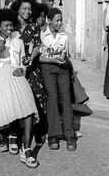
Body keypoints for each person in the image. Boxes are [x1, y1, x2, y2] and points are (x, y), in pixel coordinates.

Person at [0, 9, 39, 168]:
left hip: (16, 74)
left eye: (11, 25)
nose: (10, 28)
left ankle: (26, 149)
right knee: (7, 108)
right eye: (6, 25)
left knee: (28, 106)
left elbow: (22, 61)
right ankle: (10, 136)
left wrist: (23, 70)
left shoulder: (18, 41)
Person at [11, 0, 48, 146]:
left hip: (31, 67)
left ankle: (38, 130)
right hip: (14, 67)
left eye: (29, 9)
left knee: (37, 95)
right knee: (15, 98)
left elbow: (38, 46)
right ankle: (16, 133)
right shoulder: (11, 26)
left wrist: (31, 58)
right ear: (18, 9)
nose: (27, 11)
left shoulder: (34, 27)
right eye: (24, 8)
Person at [39, 8, 77, 151]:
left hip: (63, 70)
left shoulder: (64, 36)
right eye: (57, 20)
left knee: (66, 99)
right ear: (49, 21)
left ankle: (69, 134)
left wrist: (63, 59)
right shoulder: (43, 34)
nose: (60, 23)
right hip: (47, 69)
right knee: (52, 97)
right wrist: (54, 61)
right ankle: (53, 134)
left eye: (61, 20)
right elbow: (41, 57)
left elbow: (66, 56)